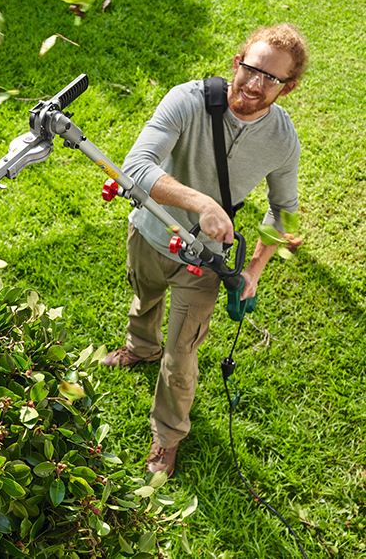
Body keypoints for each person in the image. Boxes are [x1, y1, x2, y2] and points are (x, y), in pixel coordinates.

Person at [103, 24, 309, 477]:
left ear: (288, 87)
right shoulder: (187, 99)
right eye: (250, 68)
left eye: (271, 79)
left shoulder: (282, 138)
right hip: (150, 234)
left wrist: (255, 268)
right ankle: (140, 347)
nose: (254, 84)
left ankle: (167, 438)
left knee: (183, 355)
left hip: (206, 261)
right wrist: (203, 202)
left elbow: (285, 211)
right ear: (237, 62)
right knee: (144, 295)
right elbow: (135, 168)